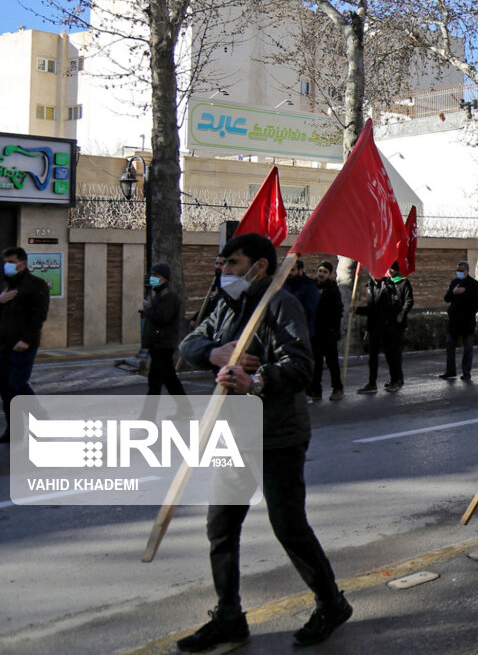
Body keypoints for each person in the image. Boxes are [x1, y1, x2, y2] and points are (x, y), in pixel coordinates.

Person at [176, 233, 350, 651]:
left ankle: (331, 603)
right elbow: (189, 344)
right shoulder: (227, 306)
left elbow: (302, 366)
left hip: (276, 434)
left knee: (288, 525)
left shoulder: (280, 304)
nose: (225, 271)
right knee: (220, 525)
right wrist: (216, 354)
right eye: (224, 263)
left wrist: (255, 379)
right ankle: (229, 616)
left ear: (259, 267)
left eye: (233, 263)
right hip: (233, 432)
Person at [0, 247, 50, 443]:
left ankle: (41, 422)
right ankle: (14, 431)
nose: (8, 266)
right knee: (5, 388)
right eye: (6, 262)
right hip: (3, 345)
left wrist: (27, 340)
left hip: (23, 345)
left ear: (23, 263)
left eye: (11, 261)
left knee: (18, 384)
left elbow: (39, 316)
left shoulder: (36, 285)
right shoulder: (6, 287)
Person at [357, 262, 413, 392]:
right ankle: (372, 383)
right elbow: (372, 308)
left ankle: (396, 380)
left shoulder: (391, 286)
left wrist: (400, 316)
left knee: (392, 355)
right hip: (374, 327)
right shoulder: (370, 286)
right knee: (373, 357)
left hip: (390, 327)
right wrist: (357, 310)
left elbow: (400, 304)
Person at [140, 261, 185, 396]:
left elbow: (163, 318)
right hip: (158, 345)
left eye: (155, 275)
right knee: (166, 380)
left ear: (164, 277)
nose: (152, 277)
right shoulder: (159, 294)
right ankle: (185, 409)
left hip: (163, 345)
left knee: (158, 382)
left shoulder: (168, 295)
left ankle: (149, 415)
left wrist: (148, 308)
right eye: (151, 274)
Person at [441, 261, 478, 381]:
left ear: (467, 271)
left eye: (461, 271)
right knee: (449, 345)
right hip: (454, 321)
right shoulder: (454, 283)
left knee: (468, 348)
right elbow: (447, 299)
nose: (459, 273)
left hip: (467, 321)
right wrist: (453, 292)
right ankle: (450, 370)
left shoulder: (474, 284)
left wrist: (469, 312)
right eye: (457, 270)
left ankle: (466, 371)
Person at [311, 261, 344, 401]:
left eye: (325, 272)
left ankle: (337, 388)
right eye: (320, 271)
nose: (321, 274)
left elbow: (338, 311)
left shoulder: (333, 289)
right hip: (315, 332)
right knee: (316, 364)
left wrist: (333, 329)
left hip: (329, 333)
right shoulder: (311, 287)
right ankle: (315, 390)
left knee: (332, 363)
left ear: (330, 274)